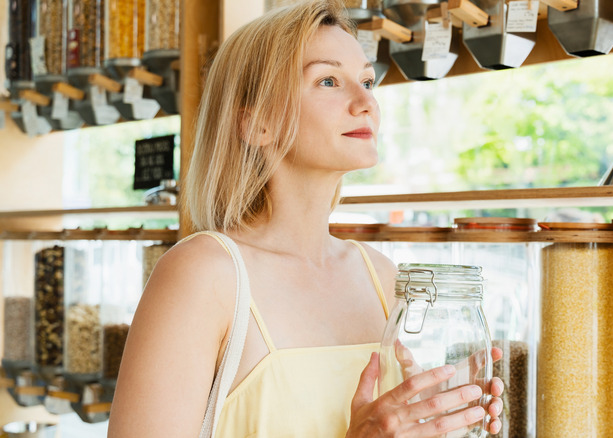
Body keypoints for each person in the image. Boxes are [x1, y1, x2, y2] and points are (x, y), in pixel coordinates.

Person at [107, 0, 503, 436]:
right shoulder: (204, 274)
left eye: (368, 80)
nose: (366, 101)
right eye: (328, 80)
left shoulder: (382, 277)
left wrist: (445, 414)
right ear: (257, 123)